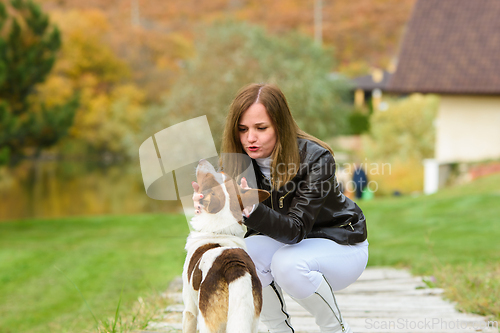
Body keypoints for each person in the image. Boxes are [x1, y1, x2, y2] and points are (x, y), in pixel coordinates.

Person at [192, 83, 368, 333]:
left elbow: (295, 230)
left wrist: (250, 207)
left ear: (280, 126)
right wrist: (210, 205)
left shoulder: (317, 159)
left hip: (340, 243)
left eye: (260, 128)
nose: (250, 138)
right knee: (242, 257)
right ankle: (280, 330)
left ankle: (337, 329)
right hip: (288, 245)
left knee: (287, 263)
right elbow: (238, 232)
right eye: (242, 129)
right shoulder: (235, 165)